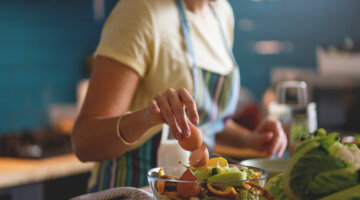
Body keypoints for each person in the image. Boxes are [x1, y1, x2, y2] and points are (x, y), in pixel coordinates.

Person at [71, 0, 287, 192]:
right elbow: (84, 142)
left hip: (189, 192)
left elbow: (202, 123)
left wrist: (250, 139)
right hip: (132, 189)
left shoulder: (222, 13)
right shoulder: (139, 11)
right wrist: (146, 118)